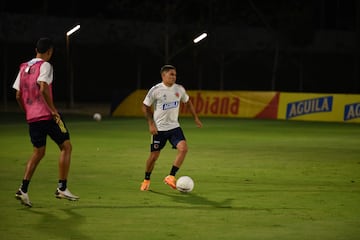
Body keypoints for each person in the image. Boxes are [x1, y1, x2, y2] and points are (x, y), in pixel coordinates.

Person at [13, 37, 79, 207]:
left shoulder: (23, 67)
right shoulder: (45, 65)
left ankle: (23, 189)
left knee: (38, 152)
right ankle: (62, 188)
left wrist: (27, 112)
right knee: (66, 146)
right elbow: (43, 87)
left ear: (36, 49)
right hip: (47, 116)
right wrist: (53, 110)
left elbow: (18, 95)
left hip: (32, 118)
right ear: (49, 51)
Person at [140, 64, 203, 191]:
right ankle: (146, 179)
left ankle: (171, 176)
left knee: (183, 148)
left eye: (175, 74)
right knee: (153, 157)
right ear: (163, 75)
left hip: (174, 127)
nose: (174, 77)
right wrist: (151, 124)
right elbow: (145, 107)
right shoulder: (155, 90)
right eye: (171, 74)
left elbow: (188, 102)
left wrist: (195, 117)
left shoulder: (179, 89)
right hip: (159, 129)